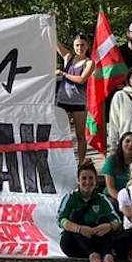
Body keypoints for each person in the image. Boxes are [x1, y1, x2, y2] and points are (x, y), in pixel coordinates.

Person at [57, 162, 121, 262]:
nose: (87, 182)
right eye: (84, 178)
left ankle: (108, 259)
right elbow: (60, 220)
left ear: (96, 181)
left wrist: (109, 226)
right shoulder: (71, 197)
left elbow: (116, 220)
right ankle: (94, 258)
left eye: (91, 178)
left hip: (95, 239)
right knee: (74, 216)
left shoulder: (101, 199)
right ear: (78, 180)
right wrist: (79, 229)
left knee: (105, 219)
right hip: (73, 243)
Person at [55, 33, 96, 164]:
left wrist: (64, 74)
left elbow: (82, 79)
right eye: (77, 45)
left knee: (80, 134)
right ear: (73, 46)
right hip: (63, 101)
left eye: (82, 45)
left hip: (79, 102)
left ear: (87, 46)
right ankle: (63, 162)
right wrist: (49, 26)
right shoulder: (68, 57)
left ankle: (81, 162)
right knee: (62, 134)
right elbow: (55, 43)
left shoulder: (89, 63)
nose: (80, 48)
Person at [101, 132, 132, 207]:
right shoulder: (111, 161)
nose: (130, 144)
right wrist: (124, 201)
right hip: (113, 196)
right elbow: (110, 188)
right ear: (121, 143)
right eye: (127, 141)